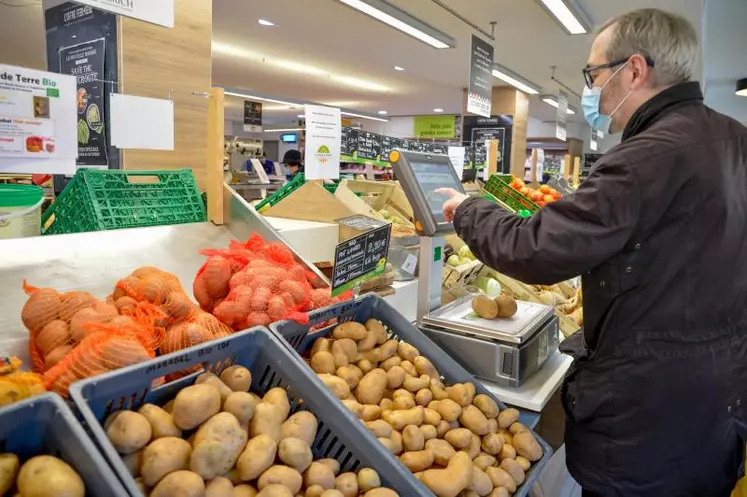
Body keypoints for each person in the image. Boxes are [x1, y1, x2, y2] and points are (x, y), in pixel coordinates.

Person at [438, 8, 747, 497]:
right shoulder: (736, 140)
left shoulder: (647, 156)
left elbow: (535, 249)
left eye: (594, 74)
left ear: (635, 70)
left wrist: (467, 212)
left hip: (647, 419)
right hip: (715, 402)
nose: (592, 89)